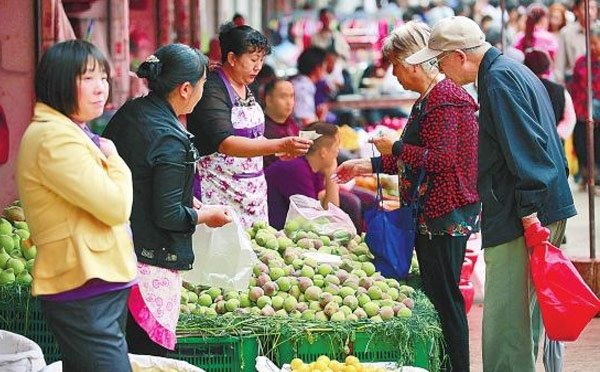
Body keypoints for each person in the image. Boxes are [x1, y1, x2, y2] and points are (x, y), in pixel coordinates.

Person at [406, 16, 577, 372]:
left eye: (439, 61)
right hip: (537, 208)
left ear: (459, 56)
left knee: (505, 325)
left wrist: (529, 214)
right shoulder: (511, 71)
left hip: (523, 214)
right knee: (521, 322)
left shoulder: (498, 82)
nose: (439, 70)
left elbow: (529, 152)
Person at [333, 21, 480, 372]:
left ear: (411, 61)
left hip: (445, 214)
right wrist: (366, 165)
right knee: (441, 295)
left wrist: (395, 146)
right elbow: (417, 154)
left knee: (446, 299)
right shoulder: (430, 100)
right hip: (433, 212)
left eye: (395, 66)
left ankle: (456, 367)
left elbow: (442, 161)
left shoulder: (445, 100)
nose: (394, 75)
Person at [103, 44, 232, 356]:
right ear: (186, 89)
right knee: (149, 355)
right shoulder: (171, 139)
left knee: (125, 348)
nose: (204, 91)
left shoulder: (131, 112)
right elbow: (170, 215)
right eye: (203, 85)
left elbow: (139, 177)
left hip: (118, 245)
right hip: (149, 259)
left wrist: (187, 198)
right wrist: (205, 215)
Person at [17, 40, 137, 372]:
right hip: (83, 285)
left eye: (102, 77)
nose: (101, 88)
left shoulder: (70, 131)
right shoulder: (54, 137)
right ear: (58, 82)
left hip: (93, 282)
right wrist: (115, 160)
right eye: (87, 79)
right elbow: (115, 206)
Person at [188, 25, 311, 228]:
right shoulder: (212, 88)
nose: (258, 67)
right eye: (253, 60)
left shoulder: (246, 85)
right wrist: (278, 145)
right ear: (232, 58)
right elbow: (225, 143)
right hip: (218, 190)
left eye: (261, 60)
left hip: (252, 192)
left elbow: (254, 138)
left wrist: (281, 149)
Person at [266, 122, 340, 230]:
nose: (337, 152)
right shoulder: (296, 169)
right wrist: (332, 172)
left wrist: (330, 173)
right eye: (336, 147)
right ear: (323, 152)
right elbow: (327, 217)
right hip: (276, 230)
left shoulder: (313, 168)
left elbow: (326, 206)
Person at [568, 24, 600, 191]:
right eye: (590, 43)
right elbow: (574, 85)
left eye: (595, 43)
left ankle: (597, 178)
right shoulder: (581, 61)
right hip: (582, 109)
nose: (592, 47)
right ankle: (585, 175)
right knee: (581, 144)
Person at [524, 49, 576, 144]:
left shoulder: (522, 89)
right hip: (556, 143)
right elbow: (570, 118)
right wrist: (556, 135)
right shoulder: (559, 90)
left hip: (528, 142)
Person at [555, 0, 598, 84]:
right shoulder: (566, 33)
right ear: (576, 10)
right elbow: (559, 65)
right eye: (585, 8)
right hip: (574, 83)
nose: (589, 12)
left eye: (593, 8)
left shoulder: (598, 31)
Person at [263, 78, 299, 168]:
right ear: (269, 100)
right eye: (283, 97)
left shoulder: (292, 123)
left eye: (291, 96)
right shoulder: (262, 129)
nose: (289, 102)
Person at [291, 46, 328, 126]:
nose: (326, 69)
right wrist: (321, 117)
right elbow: (307, 124)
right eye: (325, 65)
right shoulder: (303, 88)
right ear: (318, 68)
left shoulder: (300, 83)